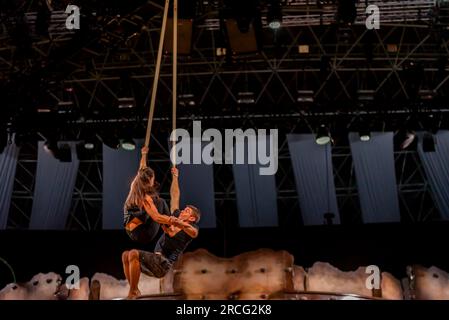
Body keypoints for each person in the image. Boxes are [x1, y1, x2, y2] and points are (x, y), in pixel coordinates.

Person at [121, 166, 200, 299]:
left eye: (186, 211)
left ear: (191, 218)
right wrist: (175, 177)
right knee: (126, 255)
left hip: (163, 265)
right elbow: (175, 196)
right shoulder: (175, 216)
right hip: (154, 261)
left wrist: (179, 223)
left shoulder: (190, 228)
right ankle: (134, 290)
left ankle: (133, 292)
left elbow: (193, 233)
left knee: (134, 253)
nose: (182, 211)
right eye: (184, 209)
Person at [124, 146, 181, 244]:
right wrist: (174, 221)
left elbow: (142, 168)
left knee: (155, 204)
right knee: (160, 202)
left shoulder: (135, 184)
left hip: (131, 229)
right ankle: (171, 231)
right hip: (142, 234)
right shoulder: (145, 198)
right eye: (153, 179)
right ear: (149, 181)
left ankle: (169, 229)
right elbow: (157, 217)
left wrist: (144, 154)